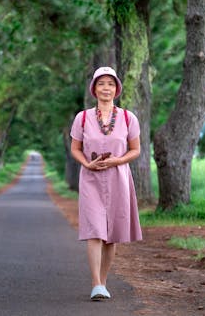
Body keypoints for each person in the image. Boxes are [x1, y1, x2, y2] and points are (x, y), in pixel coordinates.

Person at [69, 66, 143, 301]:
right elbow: (75, 149)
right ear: (94, 88)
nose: (106, 88)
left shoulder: (127, 117)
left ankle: (103, 282)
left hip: (118, 179)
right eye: (101, 84)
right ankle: (95, 283)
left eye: (110, 84)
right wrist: (87, 164)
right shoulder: (82, 118)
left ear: (117, 89)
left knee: (111, 234)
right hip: (91, 178)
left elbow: (136, 149)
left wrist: (118, 160)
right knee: (95, 230)